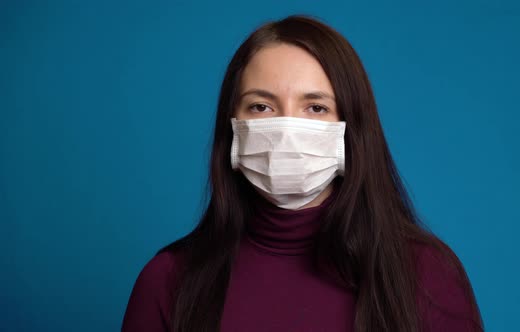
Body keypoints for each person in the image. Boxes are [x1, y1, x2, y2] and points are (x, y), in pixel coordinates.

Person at [121, 15, 484, 332]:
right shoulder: (168, 280)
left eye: (315, 107)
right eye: (261, 106)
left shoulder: (426, 275)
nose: (288, 129)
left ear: (350, 128)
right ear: (232, 126)